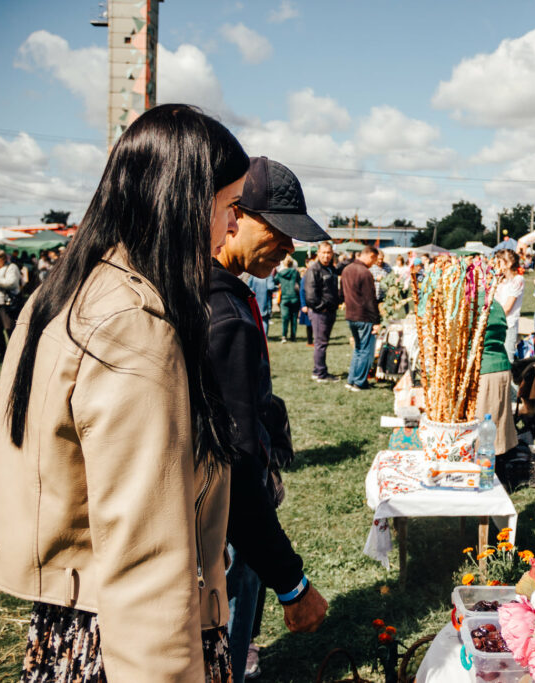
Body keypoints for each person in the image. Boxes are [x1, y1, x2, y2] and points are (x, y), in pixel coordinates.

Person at [0, 104, 250, 681]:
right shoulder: (132, 323)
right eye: (229, 205)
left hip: (77, 615)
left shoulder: (69, 291)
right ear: (181, 201)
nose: (234, 226)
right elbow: (143, 549)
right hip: (127, 637)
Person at [212, 155, 330, 682]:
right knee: (229, 626)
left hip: (228, 517)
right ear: (234, 216)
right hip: (225, 523)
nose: (288, 249)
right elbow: (232, 463)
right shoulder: (223, 315)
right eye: (279, 233)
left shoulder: (221, 294)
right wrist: (294, 585)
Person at [475, 299, 519, 456]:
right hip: (500, 366)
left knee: (484, 430)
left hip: (483, 370)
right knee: (499, 426)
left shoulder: (469, 303)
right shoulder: (495, 303)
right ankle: (500, 463)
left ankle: (490, 468)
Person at [341, 244, 380, 391]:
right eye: (375, 260)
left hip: (351, 315)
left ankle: (351, 380)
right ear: (371, 255)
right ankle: (359, 382)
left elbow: (341, 293)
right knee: (365, 350)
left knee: (358, 349)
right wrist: (376, 321)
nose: (374, 263)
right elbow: (371, 299)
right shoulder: (365, 273)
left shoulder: (347, 269)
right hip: (364, 316)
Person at [304, 241, 341, 381]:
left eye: (329, 253)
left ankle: (317, 370)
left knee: (322, 342)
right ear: (318, 253)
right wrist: (322, 307)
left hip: (330, 311)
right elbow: (310, 296)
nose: (326, 256)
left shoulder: (331, 269)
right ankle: (321, 373)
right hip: (320, 313)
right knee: (321, 344)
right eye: (323, 252)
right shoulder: (313, 270)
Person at [494, 249, 525, 362]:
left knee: (507, 357)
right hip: (497, 322)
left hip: (508, 324)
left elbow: (507, 308)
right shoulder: (500, 280)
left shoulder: (518, 280)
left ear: (509, 263)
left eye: (500, 262)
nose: (497, 265)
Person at [274, 254, 301, 342]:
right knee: (294, 318)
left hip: (284, 298)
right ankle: (293, 336)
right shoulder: (295, 272)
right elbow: (299, 283)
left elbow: (275, 281)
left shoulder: (280, 274)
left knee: (285, 318)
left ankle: (284, 336)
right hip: (294, 297)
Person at [246, 271, 276, 335]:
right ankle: (264, 338)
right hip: (265, 301)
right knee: (264, 321)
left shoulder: (253, 274)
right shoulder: (268, 275)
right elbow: (271, 287)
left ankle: (256, 337)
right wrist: (276, 287)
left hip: (255, 301)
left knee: (255, 319)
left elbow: (248, 286)